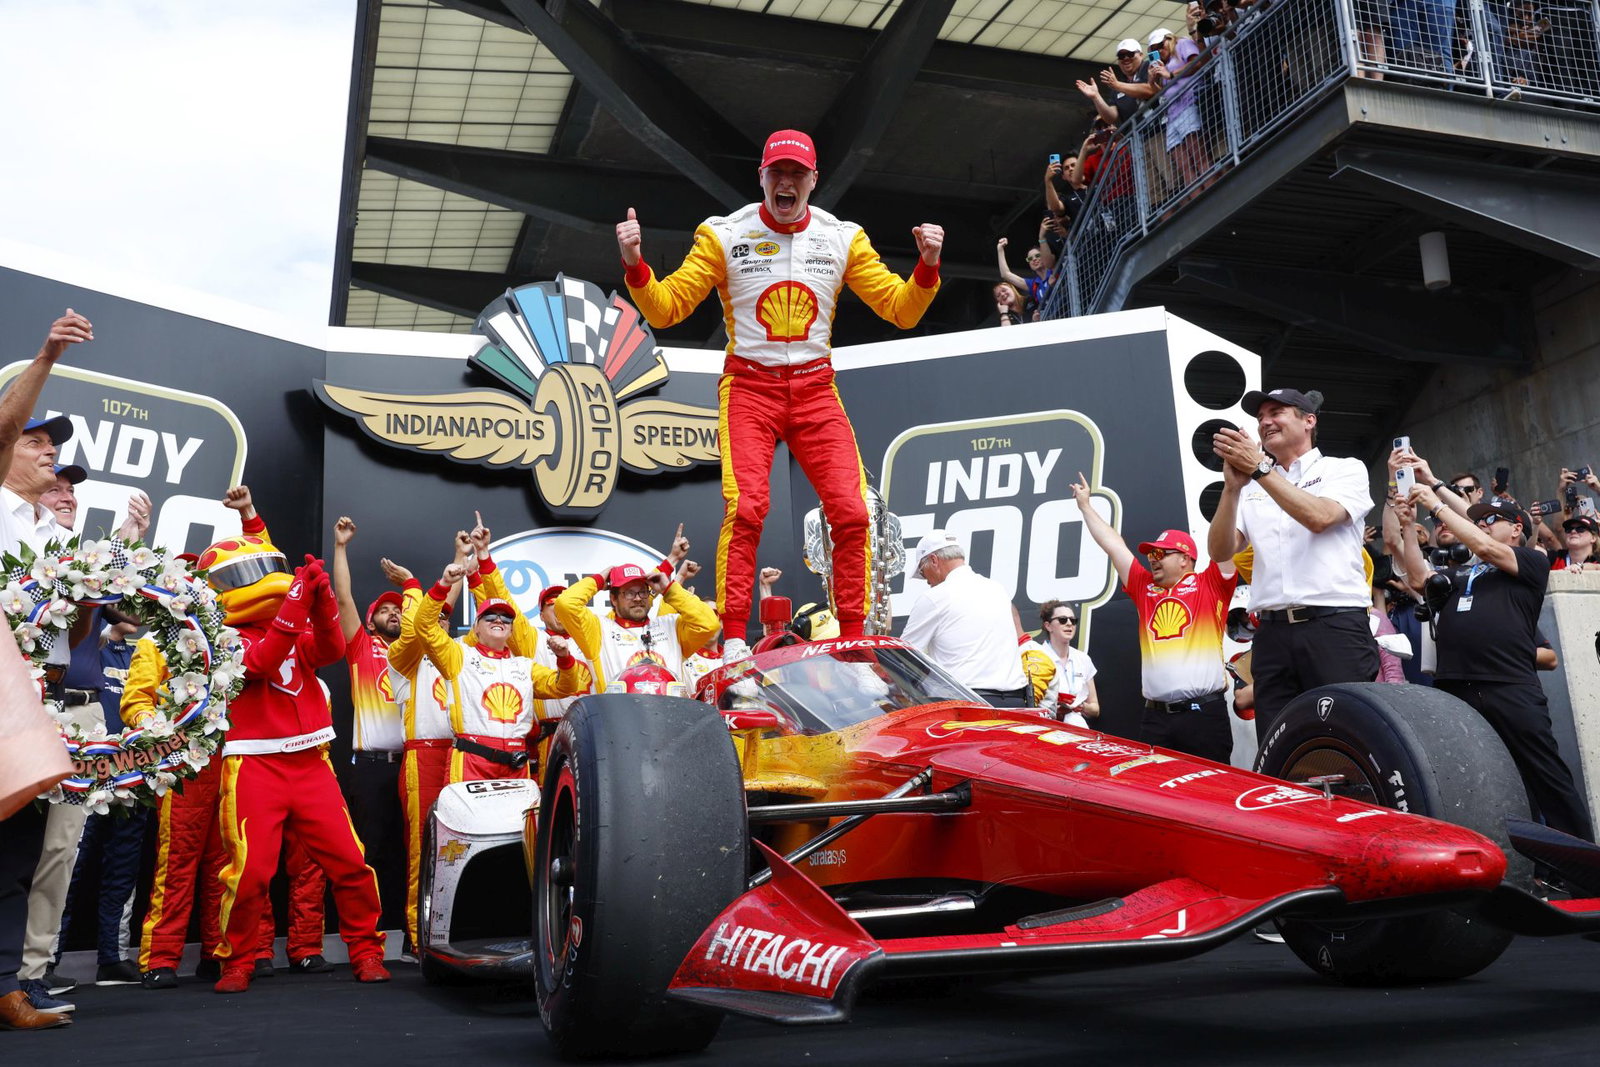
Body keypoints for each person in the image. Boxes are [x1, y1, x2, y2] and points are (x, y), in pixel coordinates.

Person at [616, 129, 943, 648]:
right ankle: (734, 640)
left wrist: (926, 267)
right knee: (746, 508)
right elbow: (666, 307)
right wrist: (636, 266)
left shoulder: (843, 237)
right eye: (777, 172)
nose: (786, 182)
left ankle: (854, 638)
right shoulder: (724, 233)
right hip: (749, 385)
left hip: (815, 388)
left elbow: (900, 310)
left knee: (854, 511)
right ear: (762, 178)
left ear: (813, 181)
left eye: (797, 173)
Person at [197, 510, 388, 993]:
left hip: (310, 762)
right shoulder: (215, 639)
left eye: (259, 572)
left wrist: (321, 605)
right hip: (254, 765)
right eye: (240, 577)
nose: (257, 584)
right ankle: (237, 959)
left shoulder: (294, 623)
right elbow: (259, 665)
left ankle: (366, 949)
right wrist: (295, 607)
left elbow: (329, 651)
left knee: (350, 860)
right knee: (250, 873)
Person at [1396, 488, 1592, 842]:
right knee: (1478, 778)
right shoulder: (1464, 575)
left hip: (1508, 685)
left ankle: (1582, 870)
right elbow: (1417, 579)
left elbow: (1487, 548)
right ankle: (1518, 866)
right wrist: (1409, 527)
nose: (1482, 526)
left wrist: (1437, 504)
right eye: (1478, 521)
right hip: (1456, 687)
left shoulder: (1531, 561)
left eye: (1490, 520)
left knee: (1545, 776)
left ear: (1517, 528)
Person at [1, 311, 95, 1031]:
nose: (45, 453)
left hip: (36, 705)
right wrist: (47, 355)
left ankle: (9, 987)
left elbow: (73, 634)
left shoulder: (51, 535)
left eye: (51, 445)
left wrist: (88, 591)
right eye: (36, 441)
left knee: (20, 849)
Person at [1208, 388, 1378, 743]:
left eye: (1276, 412)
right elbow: (1219, 549)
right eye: (1259, 418)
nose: (1265, 422)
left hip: (1334, 624)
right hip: (1272, 633)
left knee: (1347, 737)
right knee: (1278, 742)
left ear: (1309, 420)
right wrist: (1231, 490)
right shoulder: (1252, 485)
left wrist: (1259, 469)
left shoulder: (1344, 469)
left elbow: (1320, 517)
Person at [1074, 475, 1237, 761]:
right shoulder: (1143, 587)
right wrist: (1085, 506)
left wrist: (1233, 487)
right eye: (1150, 553)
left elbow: (1224, 546)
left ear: (1185, 558)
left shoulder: (1210, 583)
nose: (1152, 558)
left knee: (1210, 795)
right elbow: (1114, 547)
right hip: (1156, 718)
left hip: (1204, 715)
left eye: (1161, 553)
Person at [414, 560, 585, 783]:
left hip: (515, 763)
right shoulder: (458, 655)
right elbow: (423, 626)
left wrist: (564, 659)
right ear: (476, 627)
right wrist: (444, 584)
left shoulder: (524, 665)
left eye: (505, 618)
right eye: (490, 616)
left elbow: (565, 686)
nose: (498, 620)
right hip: (472, 759)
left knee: (518, 820)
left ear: (512, 629)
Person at [330, 516, 408, 944]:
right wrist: (340, 548)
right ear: (373, 619)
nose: (393, 614)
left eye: (399, 609)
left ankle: (410, 933)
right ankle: (367, 937)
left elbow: (442, 609)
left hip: (412, 763)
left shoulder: (416, 652)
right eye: (385, 610)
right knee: (372, 852)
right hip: (373, 767)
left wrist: (461, 560)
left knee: (412, 850)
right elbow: (343, 599)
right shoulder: (362, 645)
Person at [554, 526, 720, 692]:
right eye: (629, 593)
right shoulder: (598, 630)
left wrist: (669, 589)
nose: (638, 598)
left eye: (642, 591)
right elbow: (565, 604)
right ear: (613, 598)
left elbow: (709, 624)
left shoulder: (671, 625)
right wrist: (599, 580)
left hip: (669, 715)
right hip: (619, 716)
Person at [901, 531, 1029, 707]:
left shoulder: (935, 597)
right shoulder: (997, 589)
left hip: (966, 705)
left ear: (934, 560)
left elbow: (904, 656)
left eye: (923, 573)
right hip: (1015, 703)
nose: (927, 581)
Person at [1034, 600, 1099, 727]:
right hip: (1046, 727)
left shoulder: (1083, 659)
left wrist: (1080, 706)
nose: (1069, 624)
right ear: (1048, 626)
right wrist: (1053, 708)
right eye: (1062, 620)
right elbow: (1028, 705)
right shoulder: (1036, 657)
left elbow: (1095, 709)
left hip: (1078, 729)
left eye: (1073, 620)